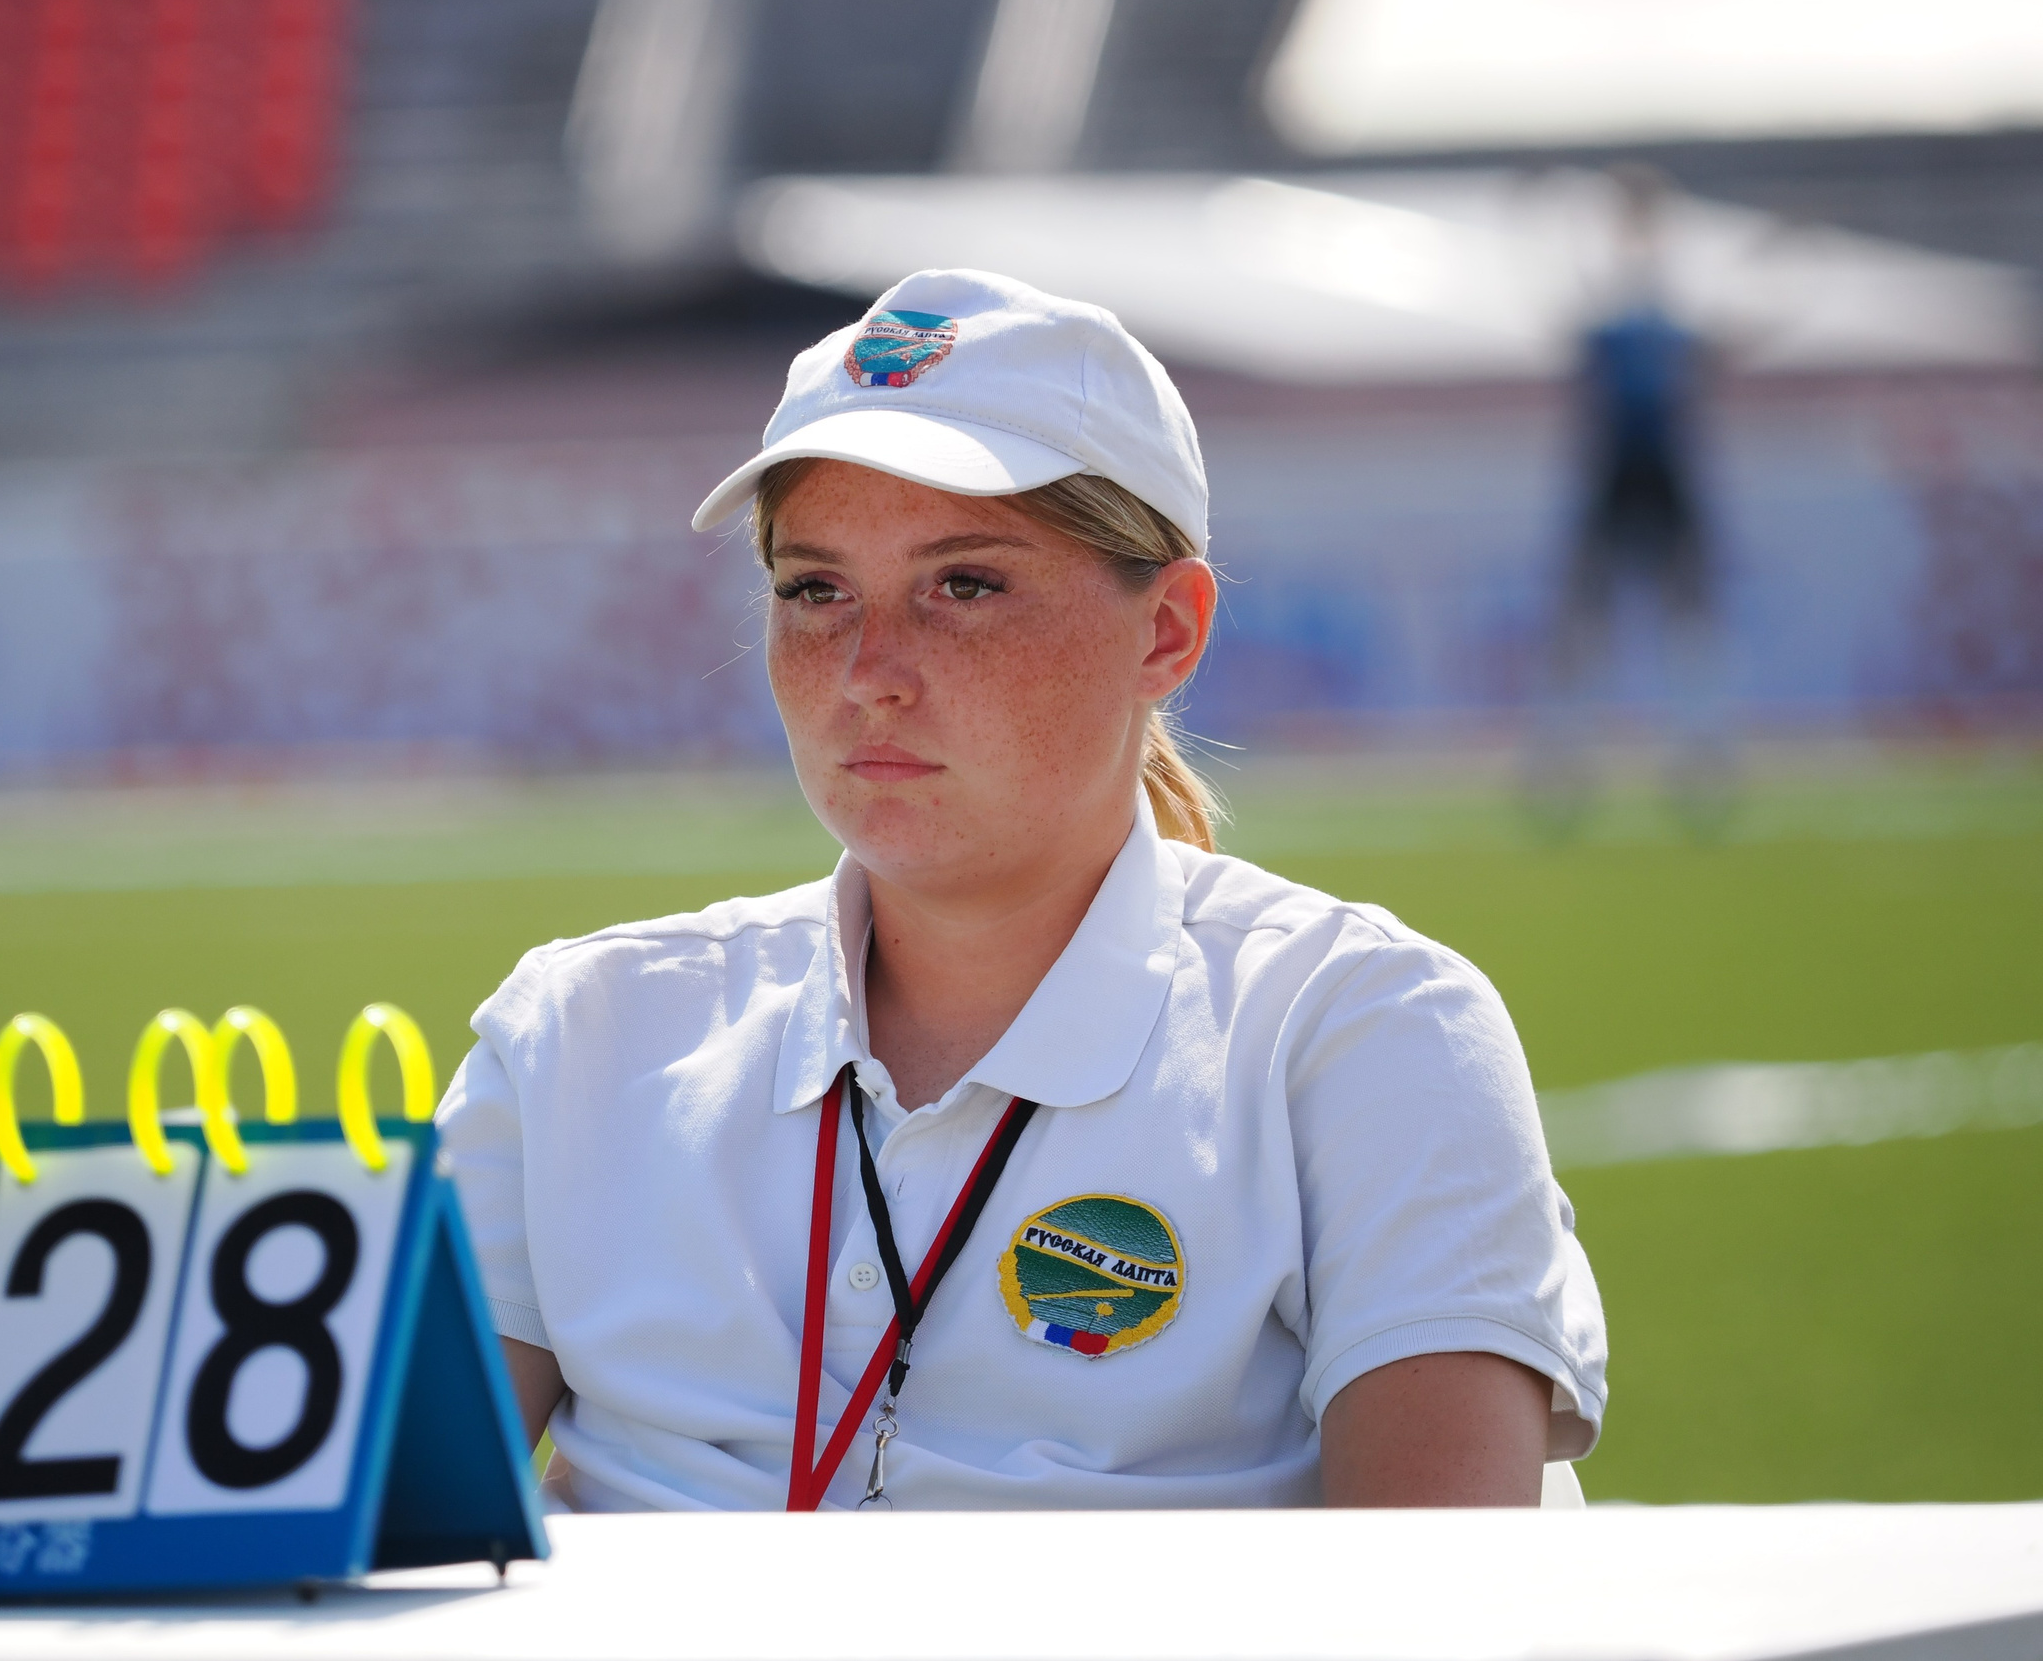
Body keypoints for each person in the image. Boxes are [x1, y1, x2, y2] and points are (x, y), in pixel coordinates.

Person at [437, 269, 1606, 1512]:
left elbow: (1445, 1613)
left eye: (966, 586)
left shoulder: (1361, 1030)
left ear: (1168, 630)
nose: (868, 672)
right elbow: (351, 1548)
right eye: (814, 590)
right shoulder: (581, 1032)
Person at [1530, 164, 1732, 836]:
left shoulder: (1665, 306)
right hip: (1622, 469)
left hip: (1656, 469)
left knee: (1679, 617)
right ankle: (1570, 761)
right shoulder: (1621, 310)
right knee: (1594, 625)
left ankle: (1695, 758)